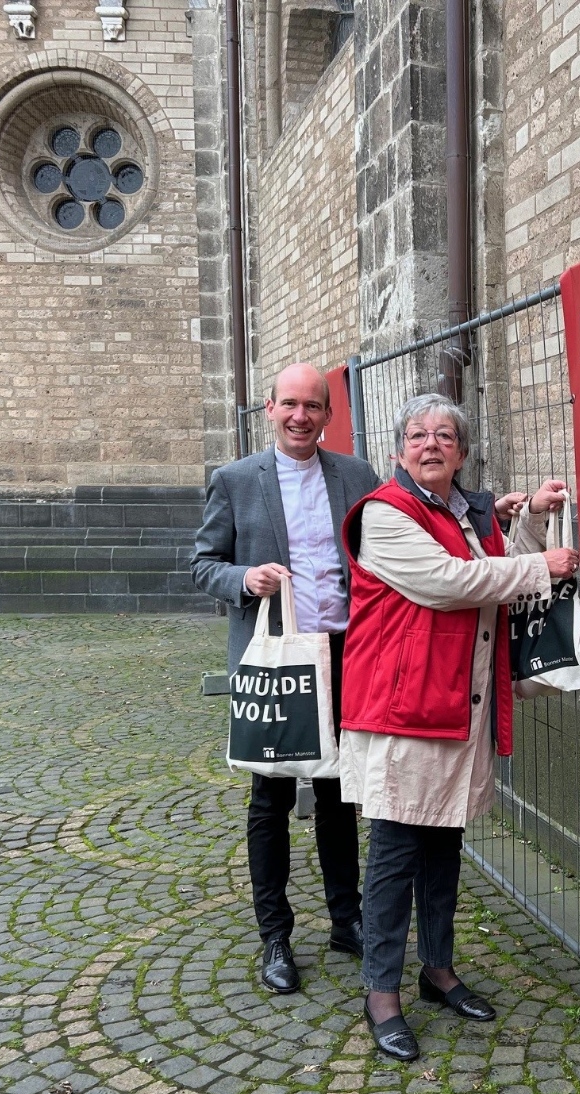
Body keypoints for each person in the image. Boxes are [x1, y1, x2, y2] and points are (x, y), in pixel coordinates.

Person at [338, 393, 578, 1061]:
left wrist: (531, 521)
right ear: (398, 451)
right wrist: (539, 567)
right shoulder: (385, 514)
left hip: (456, 705)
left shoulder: (466, 512)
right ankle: (380, 990)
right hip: (406, 708)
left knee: (444, 846)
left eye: (446, 435)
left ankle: (438, 971)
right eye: (418, 435)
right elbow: (449, 582)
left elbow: (496, 566)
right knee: (394, 854)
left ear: (463, 453)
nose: (432, 444)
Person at [191, 362, 382, 995]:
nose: (301, 416)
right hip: (273, 657)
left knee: (337, 791)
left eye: (314, 406)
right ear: (268, 408)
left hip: (344, 650)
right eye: (290, 404)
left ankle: (345, 919)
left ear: (329, 415)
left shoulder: (357, 477)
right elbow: (203, 564)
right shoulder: (236, 480)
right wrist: (245, 580)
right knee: (269, 797)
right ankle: (275, 933)